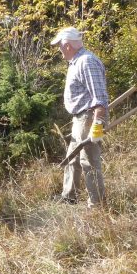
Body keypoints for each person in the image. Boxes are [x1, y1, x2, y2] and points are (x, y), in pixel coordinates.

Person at [51, 26, 109, 208]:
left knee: (88, 160)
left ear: (67, 45)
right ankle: (69, 197)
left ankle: (97, 204)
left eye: (59, 46)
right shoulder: (77, 61)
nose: (59, 50)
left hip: (89, 116)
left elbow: (99, 98)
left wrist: (97, 124)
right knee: (73, 158)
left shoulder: (86, 61)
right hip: (80, 117)